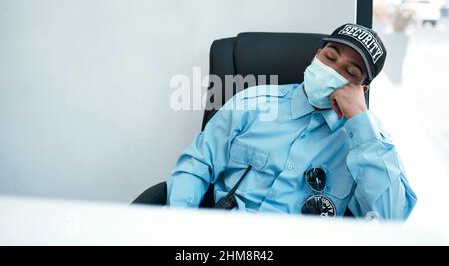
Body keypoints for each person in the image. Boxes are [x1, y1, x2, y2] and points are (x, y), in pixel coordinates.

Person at [166, 23, 417, 220]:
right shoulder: (252, 102)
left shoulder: (368, 143)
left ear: (361, 90)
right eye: (330, 57)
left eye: (349, 72)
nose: (333, 69)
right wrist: (180, 224)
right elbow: (197, 164)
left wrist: (361, 122)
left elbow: (390, 219)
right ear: (316, 55)